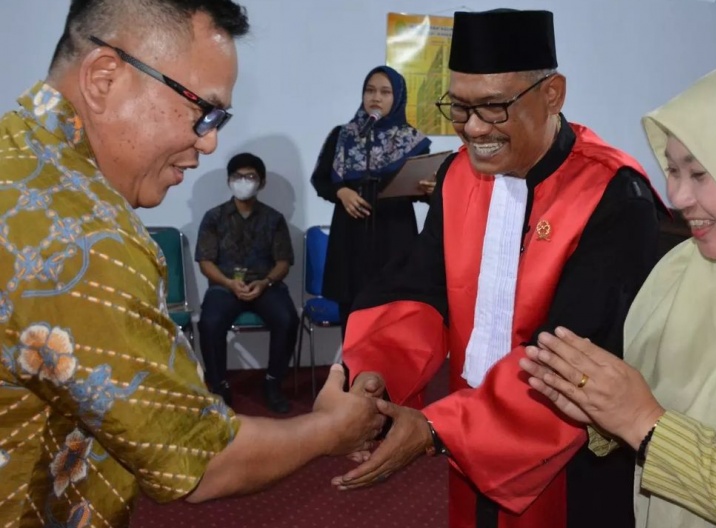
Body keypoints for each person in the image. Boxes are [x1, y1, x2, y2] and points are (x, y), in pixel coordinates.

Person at [0, 2, 382, 527]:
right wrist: (333, 429)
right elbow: (204, 463)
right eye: (203, 111)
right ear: (104, 78)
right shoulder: (81, 238)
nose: (209, 142)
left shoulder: (18, 159)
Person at [332, 9, 666, 528]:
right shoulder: (457, 175)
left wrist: (437, 430)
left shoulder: (613, 193)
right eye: (459, 107)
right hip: (467, 430)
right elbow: (422, 288)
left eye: (492, 107)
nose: (472, 129)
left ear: (552, 94)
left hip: (571, 451)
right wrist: (378, 376)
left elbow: (579, 350)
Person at [521, 55, 716, 528]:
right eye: (672, 170)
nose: (678, 197)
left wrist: (645, 425)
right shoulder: (685, 269)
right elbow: (650, 407)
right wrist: (602, 411)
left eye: (701, 174)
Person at [311, 65, 431, 334]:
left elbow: (424, 191)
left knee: (393, 321)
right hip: (350, 238)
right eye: (370, 90)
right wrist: (341, 192)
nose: (376, 97)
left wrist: (431, 190)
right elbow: (320, 180)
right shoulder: (342, 136)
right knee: (352, 319)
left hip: (394, 236)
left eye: (385, 92)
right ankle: (353, 363)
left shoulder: (413, 142)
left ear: (397, 98)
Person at [196, 152, 300, 413]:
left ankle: (273, 383)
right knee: (209, 322)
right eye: (237, 177)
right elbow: (205, 262)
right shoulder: (214, 217)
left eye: (250, 177)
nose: (243, 182)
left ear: (261, 182)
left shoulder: (274, 219)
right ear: (229, 181)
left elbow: (283, 262)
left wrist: (265, 282)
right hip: (224, 286)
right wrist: (229, 283)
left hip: (265, 286)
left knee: (287, 318)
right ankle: (219, 385)